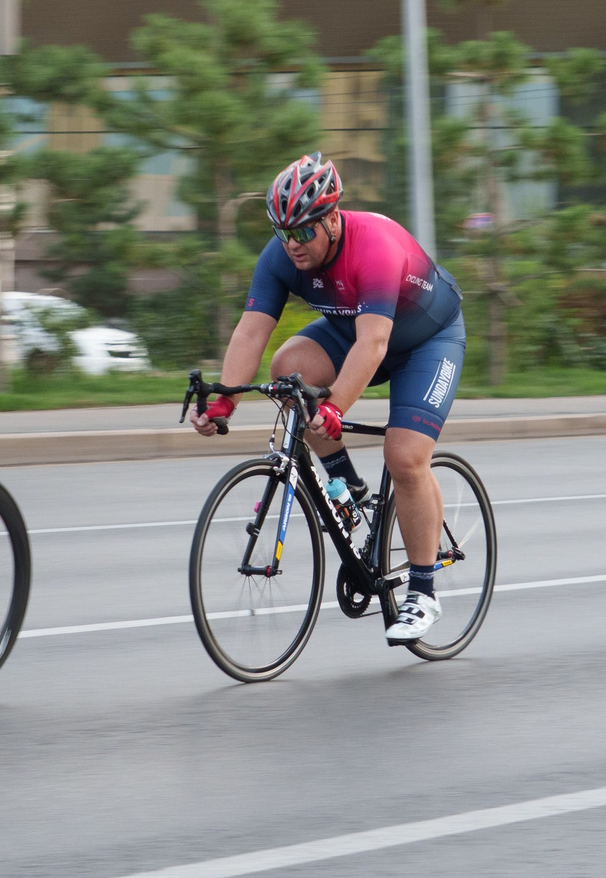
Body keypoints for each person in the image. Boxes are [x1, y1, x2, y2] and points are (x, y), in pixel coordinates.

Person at [191, 153, 466, 645]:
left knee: (405, 457)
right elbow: (252, 331)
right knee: (287, 372)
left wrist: (336, 406)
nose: (291, 244)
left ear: (333, 218)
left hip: (425, 342)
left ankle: (423, 592)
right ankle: (347, 487)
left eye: (302, 232)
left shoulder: (374, 247)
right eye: (282, 231)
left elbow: (374, 345)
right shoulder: (280, 256)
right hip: (355, 333)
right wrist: (223, 401)